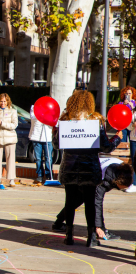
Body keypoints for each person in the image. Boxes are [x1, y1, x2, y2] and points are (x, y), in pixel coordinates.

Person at [52, 90, 122, 247]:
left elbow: (56, 145)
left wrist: (54, 131)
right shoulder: (96, 120)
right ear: (90, 103)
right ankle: (91, 238)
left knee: (69, 203)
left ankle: (69, 236)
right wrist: (117, 138)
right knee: (90, 203)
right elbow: (106, 147)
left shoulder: (65, 118)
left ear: (72, 102)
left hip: (69, 167)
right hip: (90, 168)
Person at [52, 158, 132, 242]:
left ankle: (58, 224)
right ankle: (94, 233)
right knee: (80, 201)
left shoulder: (122, 168)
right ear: (116, 181)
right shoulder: (104, 179)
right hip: (79, 174)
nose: (118, 189)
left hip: (79, 169)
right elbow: (97, 203)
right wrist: (98, 227)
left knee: (73, 202)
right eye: (118, 188)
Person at [0, 93, 18, 186]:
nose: (3, 103)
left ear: (8, 101)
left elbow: (14, 125)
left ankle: (11, 179)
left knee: (10, 158)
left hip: (10, 138)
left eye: (4, 101)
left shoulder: (13, 111)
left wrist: (2, 123)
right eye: (1, 101)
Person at [29, 104, 53, 183]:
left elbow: (55, 122)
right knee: (38, 158)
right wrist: (43, 114)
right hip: (37, 137)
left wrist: (48, 115)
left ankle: (49, 175)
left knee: (48, 158)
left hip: (48, 138)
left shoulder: (52, 109)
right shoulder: (34, 107)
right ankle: (40, 175)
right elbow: (33, 118)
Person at [124, 110, 136, 193]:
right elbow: (128, 126)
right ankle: (134, 183)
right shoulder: (134, 114)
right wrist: (133, 125)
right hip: (134, 140)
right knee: (134, 161)